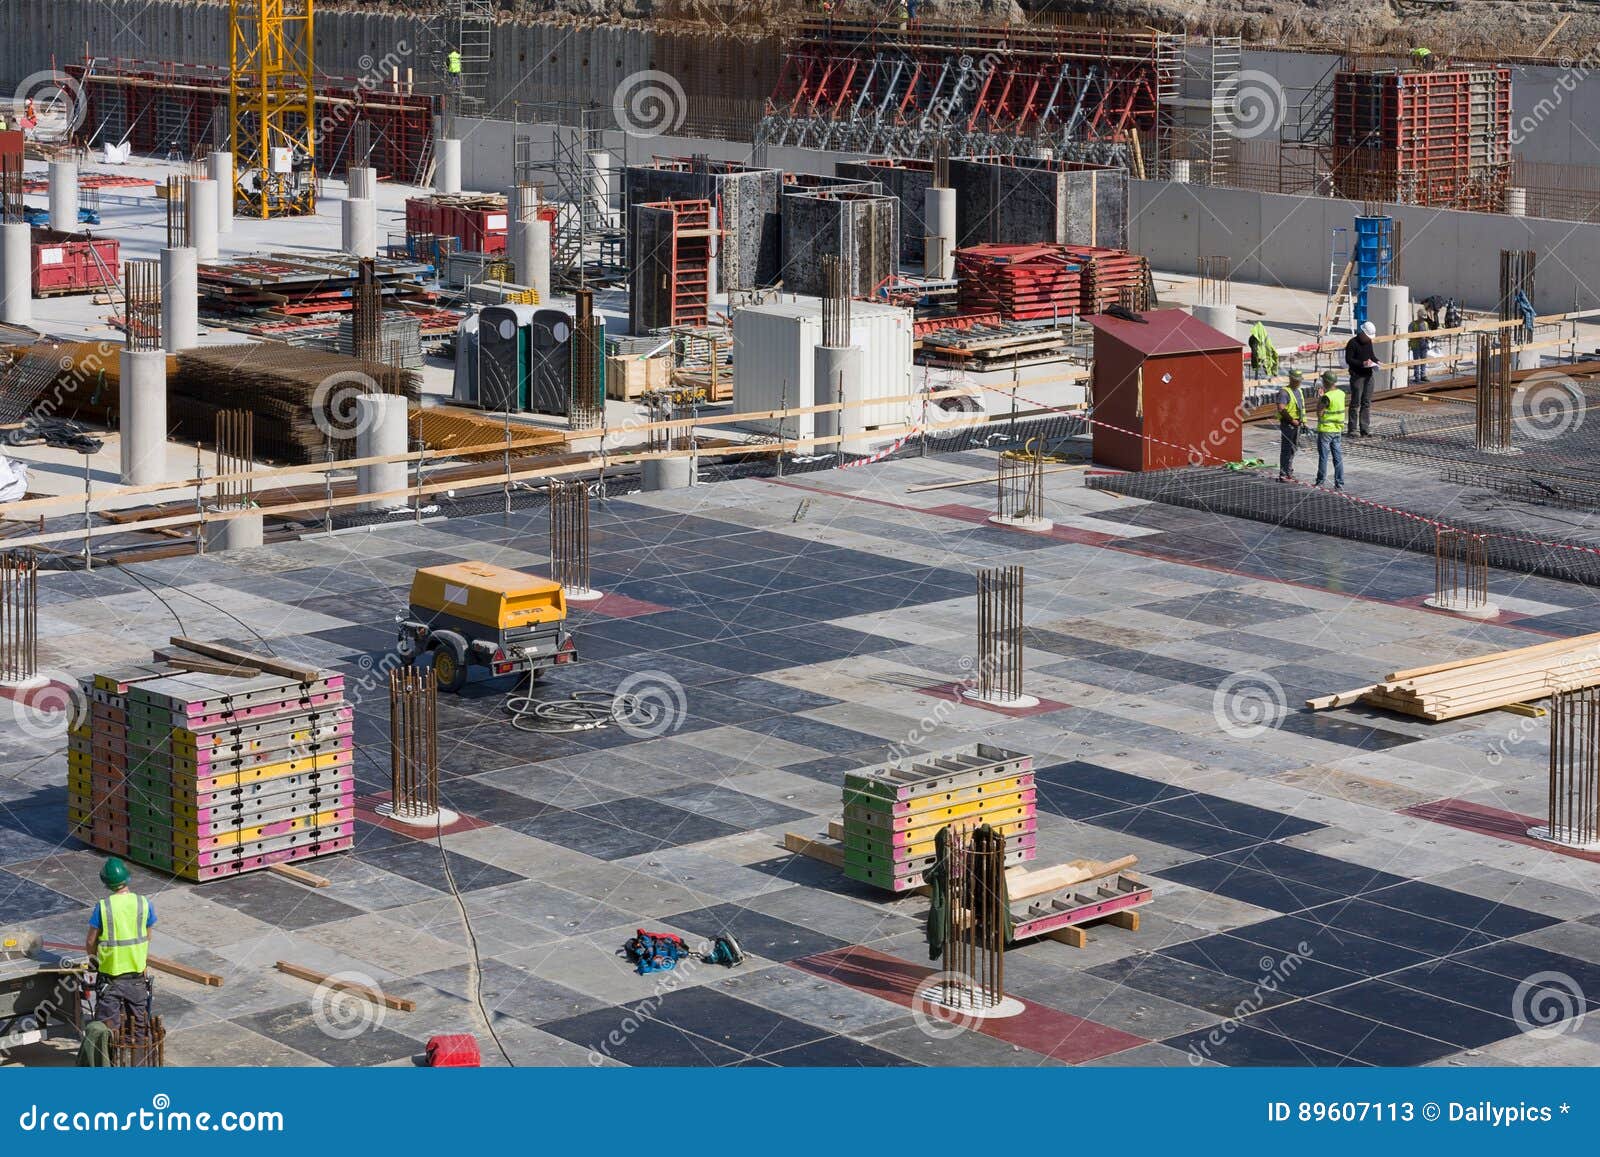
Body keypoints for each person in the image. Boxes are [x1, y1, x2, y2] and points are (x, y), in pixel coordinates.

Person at [85, 857, 155, 1038]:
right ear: (128, 879)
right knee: (139, 1027)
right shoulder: (143, 903)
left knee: (108, 1029)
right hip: (137, 976)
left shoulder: (103, 907)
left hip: (111, 978)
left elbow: (91, 941)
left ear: (106, 884)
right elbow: (147, 936)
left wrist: (94, 960)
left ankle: (110, 1061)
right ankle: (139, 1061)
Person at [1344, 320, 1378, 436]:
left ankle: (1364, 428)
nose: (1369, 339)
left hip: (1368, 375)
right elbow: (1349, 360)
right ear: (1362, 333)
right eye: (1368, 336)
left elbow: (1371, 355)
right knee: (1355, 403)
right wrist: (1362, 364)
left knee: (1366, 402)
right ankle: (1352, 429)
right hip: (1357, 376)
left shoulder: (1368, 342)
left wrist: (1376, 361)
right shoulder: (1352, 343)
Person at [1315, 370, 1346, 491]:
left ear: (1326, 382)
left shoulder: (1327, 397)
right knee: (1337, 457)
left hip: (1326, 430)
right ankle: (1339, 483)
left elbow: (1319, 413)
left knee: (1323, 457)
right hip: (1337, 430)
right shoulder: (1341, 393)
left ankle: (1320, 481)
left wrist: (1321, 397)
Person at [1277, 368, 1306, 482]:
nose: (1298, 382)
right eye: (1296, 380)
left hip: (1297, 424)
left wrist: (1303, 421)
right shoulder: (1284, 392)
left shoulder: (1299, 391)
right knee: (1286, 449)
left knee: (1293, 449)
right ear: (1291, 379)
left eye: (1299, 380)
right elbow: (1281, 408)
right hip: (1288, 424)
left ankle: (1288, 470)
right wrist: (1291, 420)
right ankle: (1283, 473)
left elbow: (1300, 407)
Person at [1408, 311, 1432, 383]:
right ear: (1418, 316)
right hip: (1416, 345)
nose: (1423, 319)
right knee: (1417, 361)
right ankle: (1417, 376)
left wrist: (1428, 336)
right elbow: (1409, 334)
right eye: (1422, 318)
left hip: (1424, 344)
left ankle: (1423, 375)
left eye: (1424, 318)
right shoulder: (1413, 324)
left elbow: (1427, 332)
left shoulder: (1425, 323)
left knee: (1424, 361)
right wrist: (1416, 336)